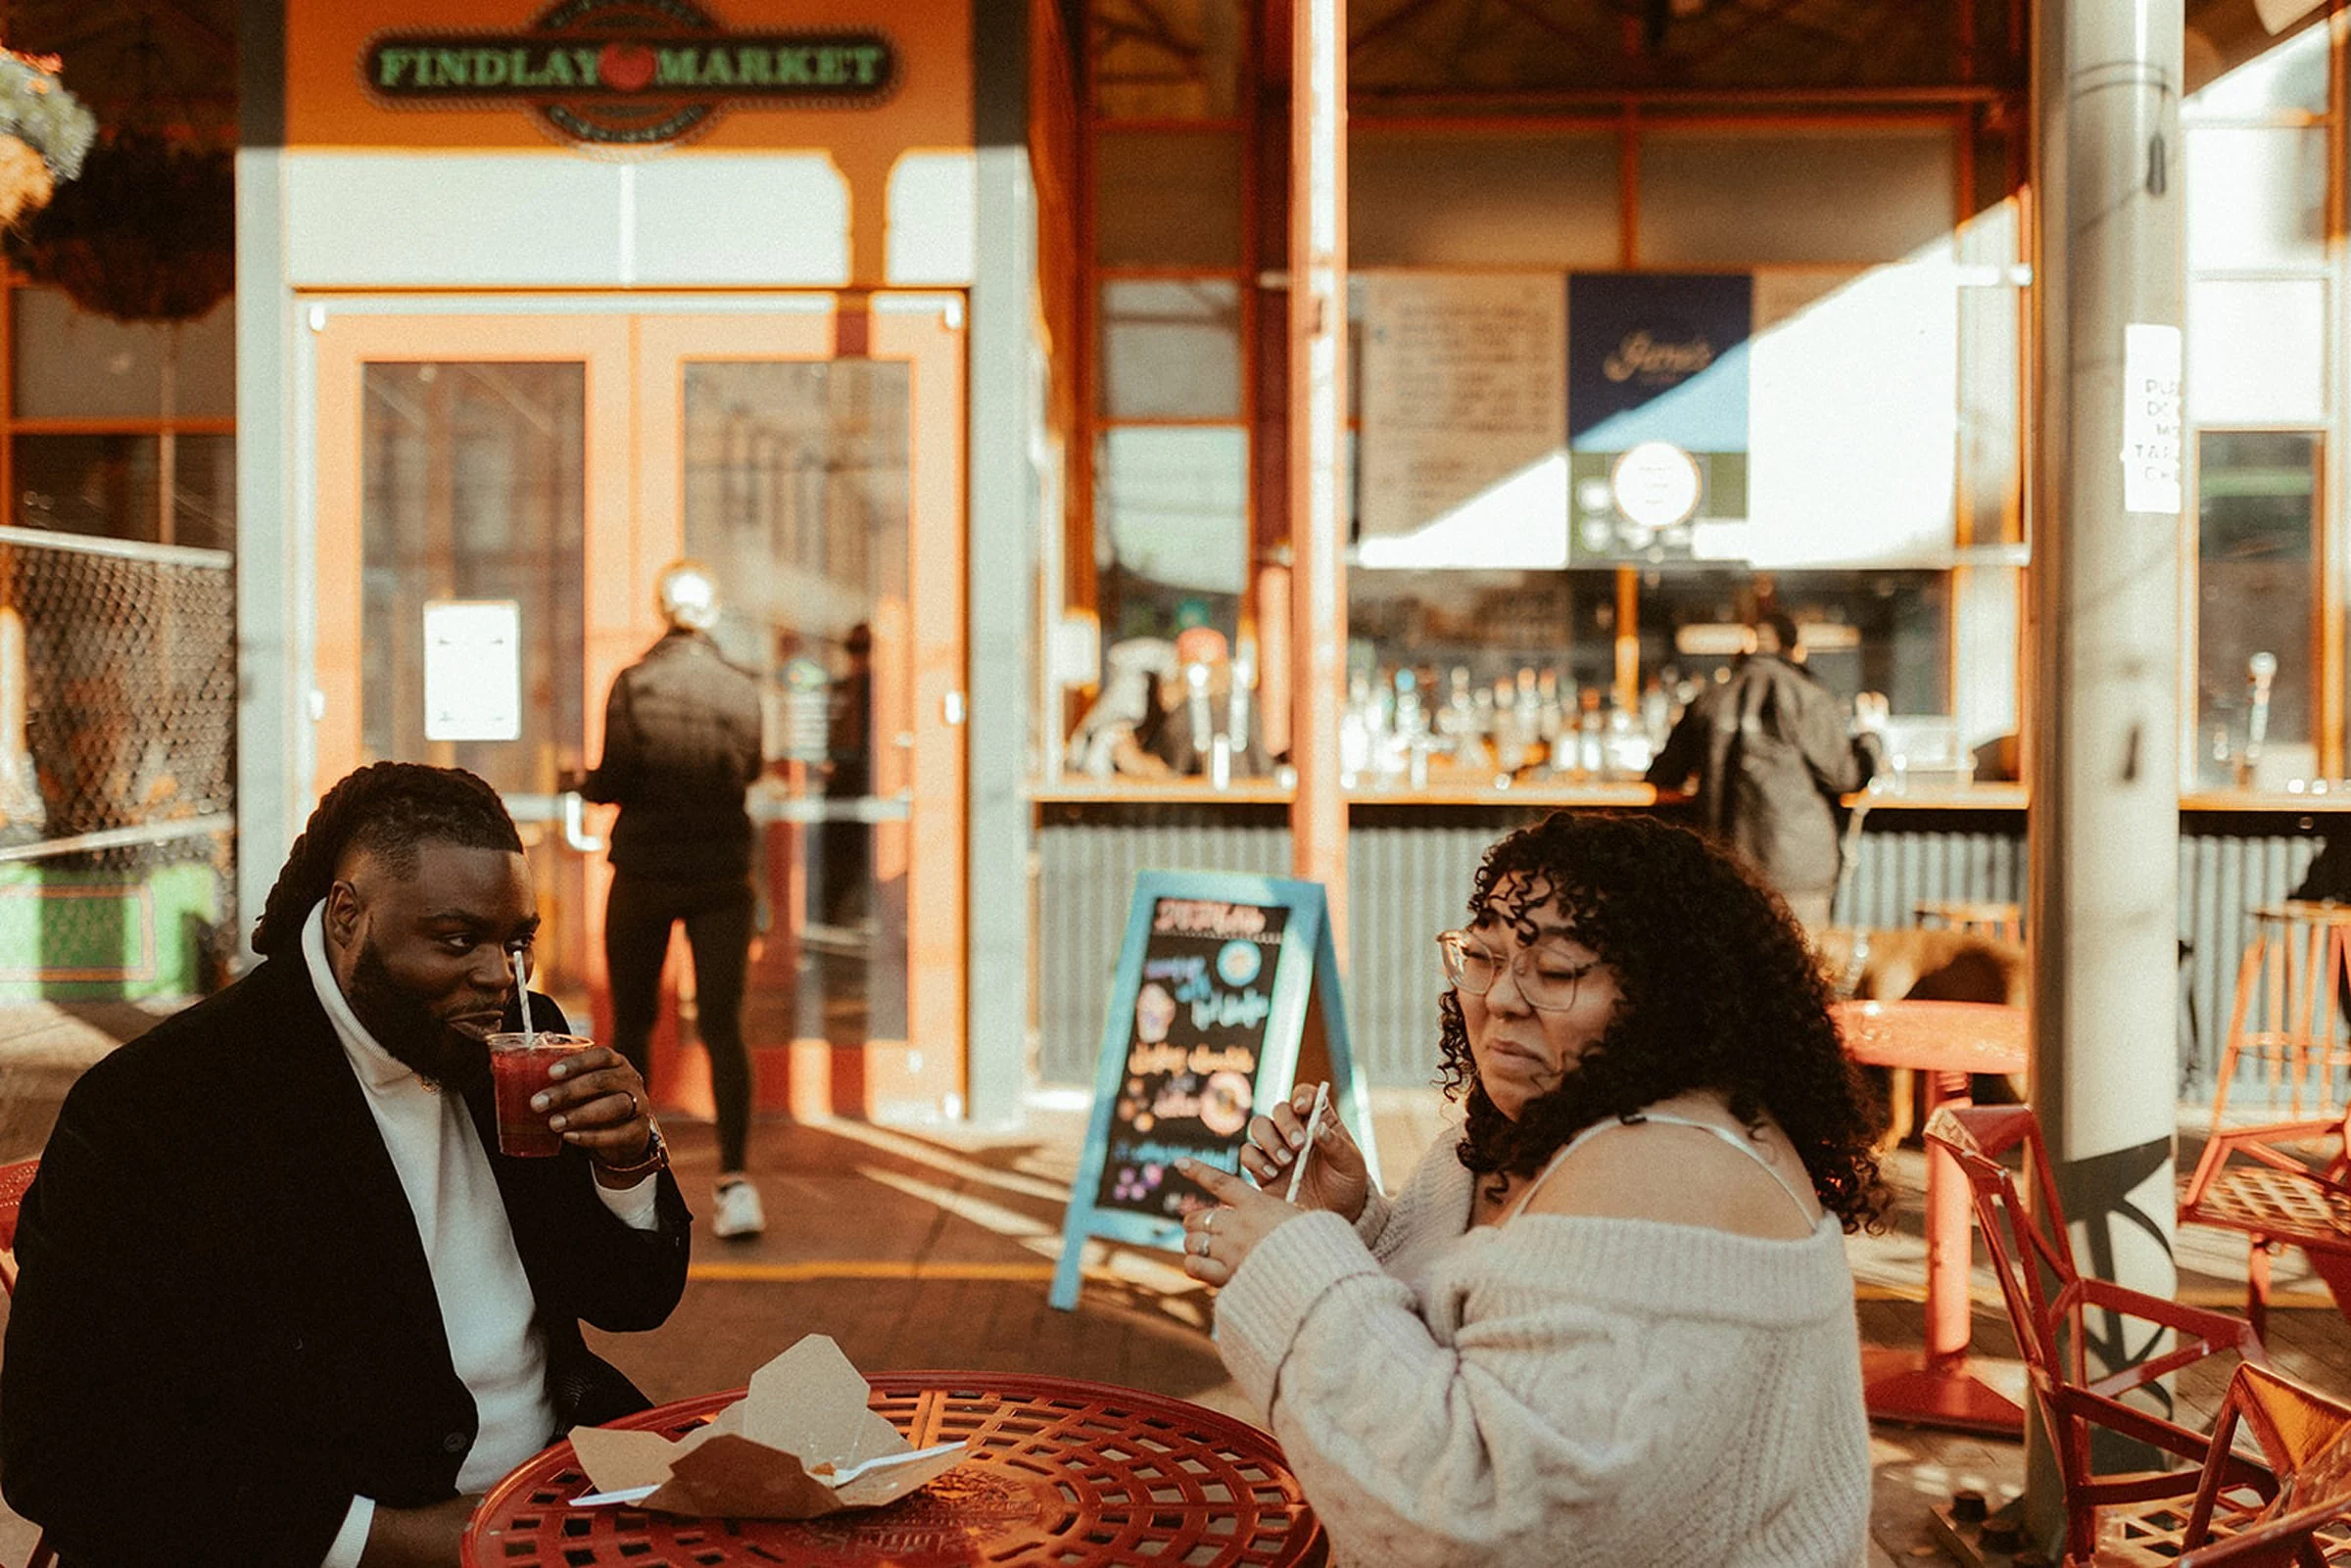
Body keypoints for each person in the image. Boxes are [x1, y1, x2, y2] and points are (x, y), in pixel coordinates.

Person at [0, 762, 690, 1568]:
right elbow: (59, 1451)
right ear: (347, 916)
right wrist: (385, 1538)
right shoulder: (162, 1105)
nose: (500, 978)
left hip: (562, 1495)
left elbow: (630, 1298)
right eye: (458, 939)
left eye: (518, 942)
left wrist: (626, 1164)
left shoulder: (513, 1045)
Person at [1171, 811, 1887, 1568]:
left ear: (1669, 997)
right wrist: (1357, 1225)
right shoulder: (1539, 1130)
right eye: (1482, 956)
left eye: (1554, 972)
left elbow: (1474, 1520)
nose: (1502, 999)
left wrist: (1293, 1265)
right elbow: (1501, 1332)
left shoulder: (1659, 1163)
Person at [576, 560, 768, 1239]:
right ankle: (736, 1183)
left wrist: (585, 783)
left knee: (631, 1024)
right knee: (723, 1026)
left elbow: (614, 777)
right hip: (721, 873)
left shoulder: (634, 682)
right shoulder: (741, 687)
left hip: (646, 868)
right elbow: (747, 767)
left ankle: (632, 1180)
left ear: (663, 610)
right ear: (712, 613)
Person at [1644, 609, 1884, 931]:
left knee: (1734, 975)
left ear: (1742, 651)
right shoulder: (1809, 697)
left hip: (1726, 868)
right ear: (1797, 651)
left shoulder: (1709, 700)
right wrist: (1871, 739)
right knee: (1802, 971)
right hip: (1799, 872)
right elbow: (1847, 778)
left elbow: (1662, 775)